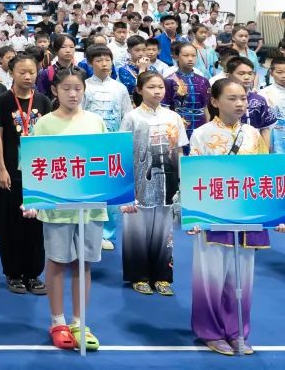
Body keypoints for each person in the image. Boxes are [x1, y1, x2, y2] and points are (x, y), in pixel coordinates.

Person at [188, 78, 284, 355]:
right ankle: (210, 332)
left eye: (243, 98)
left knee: (241, 280)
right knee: (210, 278)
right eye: (232, 98)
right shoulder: (201, 134)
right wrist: (193, 217)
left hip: (247, 216)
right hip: (212, 215)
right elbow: (194, 176)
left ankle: (237, 331)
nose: (240, 103)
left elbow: (265, 176)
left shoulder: (253, 134)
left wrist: (276, 214)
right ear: (215, 101)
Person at [23, 67, 107, 351]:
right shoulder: (44, 124)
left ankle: (79, 322)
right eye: (66, 88)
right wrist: (31, 200)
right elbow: (33, 165)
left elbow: (109, 162)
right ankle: (57, 321)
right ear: (54, 91)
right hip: (56, 206)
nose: (73, 94)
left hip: (90, 205)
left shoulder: (96, 122)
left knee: (84, 263)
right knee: (57, 261)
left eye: (78, 88)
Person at [120, 72, 186, 296]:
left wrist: (182, 179)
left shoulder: (173, 117)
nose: (157, 91)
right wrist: (125, 187)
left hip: (167, 183)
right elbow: (123, 152)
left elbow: (179, 150)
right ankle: (138, 276)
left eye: (160, 87)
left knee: (164, 232)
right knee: (136, 231)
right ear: (139, 90)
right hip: (139, 183)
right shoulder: (132, 118)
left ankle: (162, 276)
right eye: (151, 87)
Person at [0, 52, 48, 296]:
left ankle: (33, 273)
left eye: (32, 72)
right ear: (11, 73)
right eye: (22, 72)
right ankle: (13, 273)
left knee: (36, 226)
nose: (27, 76)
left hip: (38, 173)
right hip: (11, 172)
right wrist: (1, 168)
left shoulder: (43, 101)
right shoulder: (3, 101)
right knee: (11, 224)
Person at [81, 45, 132, 250]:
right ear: (90, 63)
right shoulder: (84, 86)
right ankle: (88, 232)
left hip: (113, 146)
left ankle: (108, 234)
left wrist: (123, 144)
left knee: (111, 191)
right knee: (90, 190)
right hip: (89, 146)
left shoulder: (120, 88)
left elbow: (126, 117)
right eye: (99, 60)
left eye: (107, 60)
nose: (104, 64)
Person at [164, 42, 211, 137]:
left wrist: (208, 127)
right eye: (186, 55)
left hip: (201, 124)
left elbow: (207, 107)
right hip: (178, 124)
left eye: (193, 55)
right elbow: (165, 108)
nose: (190, 59)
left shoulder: (203, 81)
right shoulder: (170, 80)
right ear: (176, 57)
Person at [257, 54, 285, 153]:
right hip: (274, 137)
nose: (284, 75)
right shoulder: (264, 94)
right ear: (271, 73)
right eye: (279, 72)